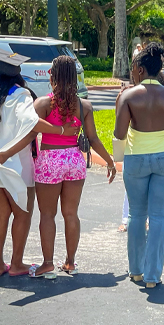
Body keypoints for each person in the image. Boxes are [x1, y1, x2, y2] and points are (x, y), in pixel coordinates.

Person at [114, 42, 164, 289]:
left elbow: (119, 134)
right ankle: (152, 276)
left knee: (136, 215)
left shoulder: (128, 96)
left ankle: (136, 271)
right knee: (159, 216)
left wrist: (118, 160)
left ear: (139, 69)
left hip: (136, 160)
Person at [32, 56, 117, 278]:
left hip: (49, 160)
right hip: (74, 160)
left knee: (47, 215)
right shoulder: (84, 106)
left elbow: (30, 132)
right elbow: (94, 139)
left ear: (52, 76)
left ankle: (48, 264)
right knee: (71, 214)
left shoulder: (43, 104)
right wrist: (110, 162)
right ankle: (70, 263)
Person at [0, 51, 81, 277]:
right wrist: (61, 130)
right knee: (23, 214)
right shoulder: (21, 94)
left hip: (3, 163)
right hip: (18, 163)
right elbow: (32, 123)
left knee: (2, 214)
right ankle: (17, 264)